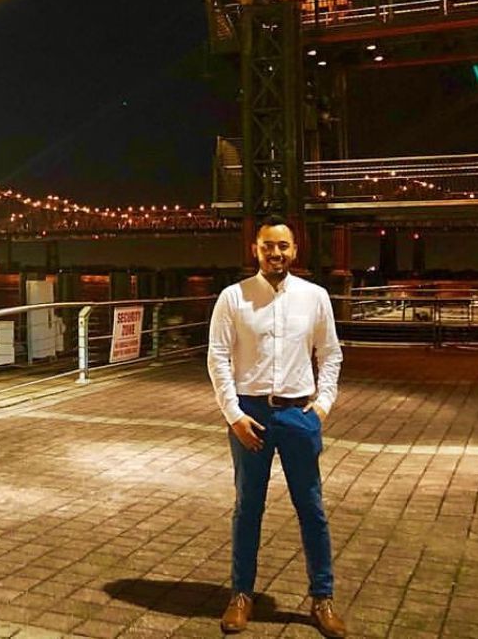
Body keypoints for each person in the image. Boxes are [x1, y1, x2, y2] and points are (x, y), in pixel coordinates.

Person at [207, 216, 347, 638]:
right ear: (255, 249)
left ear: (294, 250)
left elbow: (331, 354)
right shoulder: (234, 298)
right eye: (268, 245)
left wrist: (321, 407)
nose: (276, 253)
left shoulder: (315, 297)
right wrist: (233, 415)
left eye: (283, 246)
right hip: (251, 414)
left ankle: (322, 599)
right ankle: (241, 596)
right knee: (248, 508)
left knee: (312, 508)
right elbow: (218, 357)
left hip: (298, 415)